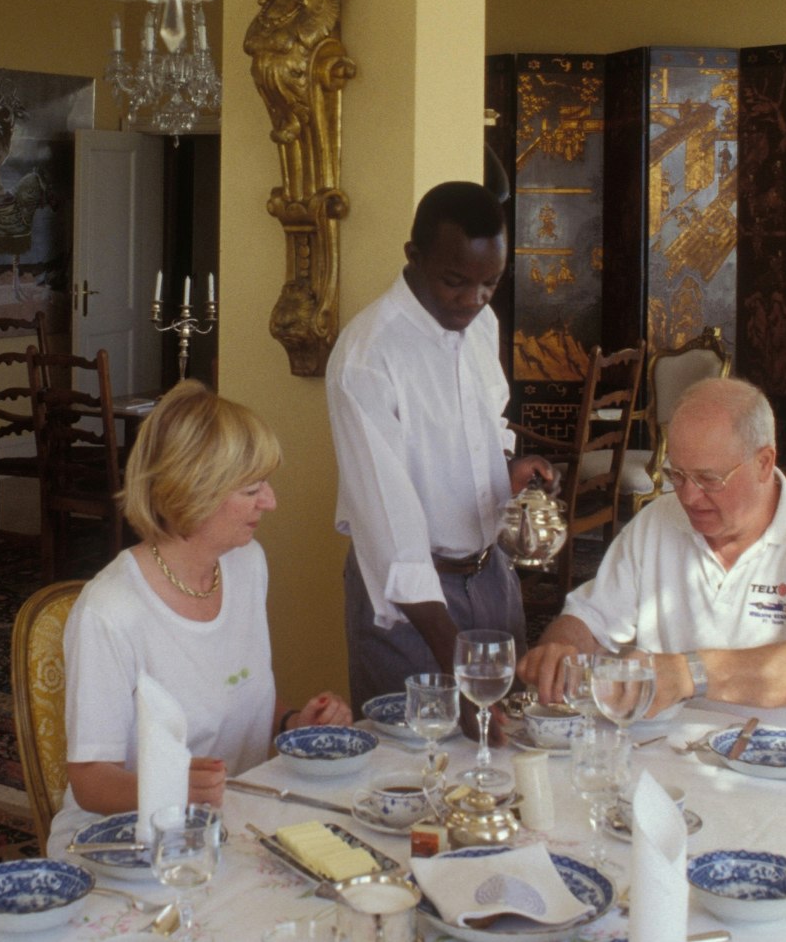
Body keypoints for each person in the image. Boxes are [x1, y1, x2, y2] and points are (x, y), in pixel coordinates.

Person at [49, 381, 349, 854]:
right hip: (128, 844)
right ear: (193, 490)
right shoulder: (110, 610)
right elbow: (90, 782)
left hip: (227, 821)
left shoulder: (246, 564)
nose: (270, 502)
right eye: (252, 489)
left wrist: (294, 722)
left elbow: (234, 694)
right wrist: (170, 787)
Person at [516, 377, 786, 748]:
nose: (688, 497)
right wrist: (562, 648)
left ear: (764, 462)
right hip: (666, 755)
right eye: (677, 475)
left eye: (708, 479)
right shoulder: (658, 520)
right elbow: (590, 619)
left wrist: (687, 673)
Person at [328, 181, 557, 708]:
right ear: (415, 256)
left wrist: (509, 468)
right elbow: (388, 525)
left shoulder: (481, 325)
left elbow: (487, 423)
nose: (473, 300)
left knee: (508, 735)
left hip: (490, 575)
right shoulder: (368, 356)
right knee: (414, 750)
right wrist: (457, 659)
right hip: (409, 601)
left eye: (489, 284)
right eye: (455, 282)